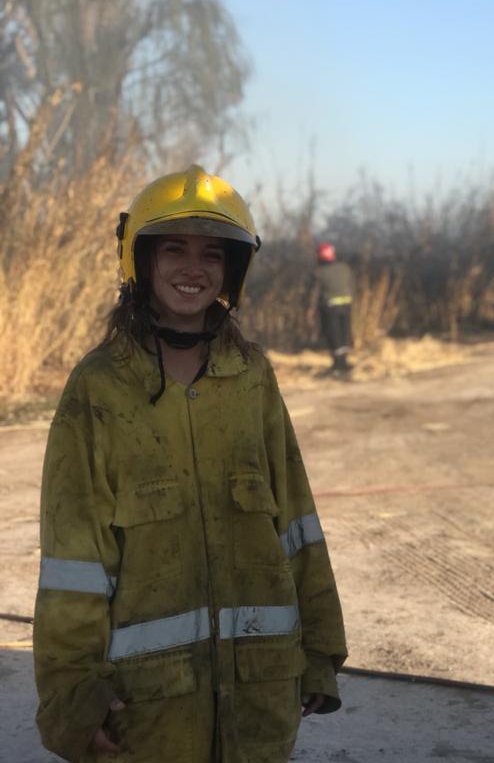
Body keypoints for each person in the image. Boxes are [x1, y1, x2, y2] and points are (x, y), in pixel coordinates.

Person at [33, 165, 347, 763]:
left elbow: (297, 523)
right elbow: (72, 561)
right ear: (141, 260)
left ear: (232, 270)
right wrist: (72, 694)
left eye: (212, 253)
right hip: (148, 713)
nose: (192, 268)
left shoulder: (252, 376)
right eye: (173, 248)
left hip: (261, 695)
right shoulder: (99, 387)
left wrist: (321, 651)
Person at [310, 243, 354, 374]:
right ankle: (344, 363)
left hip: (330, 307)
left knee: (333, 335)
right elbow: (352, 285)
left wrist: (311, 308)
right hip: (347, 305)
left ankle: (338, 365)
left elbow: (315, 292)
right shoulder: (345, 268)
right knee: (344, 334)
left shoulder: (319, 272)